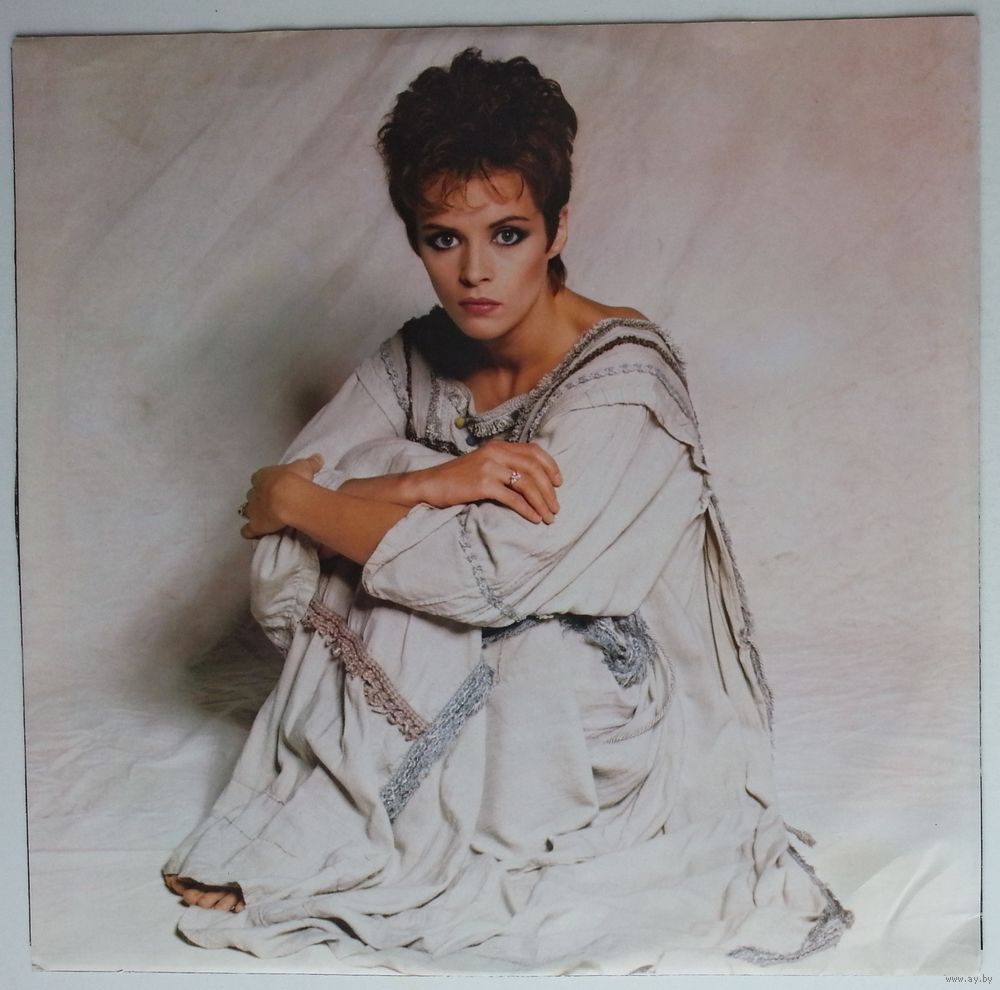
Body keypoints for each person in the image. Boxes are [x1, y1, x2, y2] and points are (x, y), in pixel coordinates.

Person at [163, 48, 851, 971]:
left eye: (508, 233)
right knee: (374, 540)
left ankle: (336, 835)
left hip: (598, 698)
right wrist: (428, 482)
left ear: (558, 227)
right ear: (416, 239)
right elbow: (275, 516)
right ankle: (341, 826)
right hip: (480, 663)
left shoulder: (622, 382)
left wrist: (315, 499)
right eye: (444, 239)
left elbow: (481, 577)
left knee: (465, 613)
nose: (475, 272)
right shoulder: (420, 351)